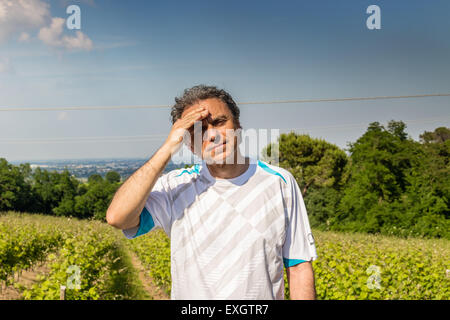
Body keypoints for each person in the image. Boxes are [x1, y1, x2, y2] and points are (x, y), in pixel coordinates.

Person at [106, 85, 318, 300]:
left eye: (219, 122)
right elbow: (118, 217)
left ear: (238, 126)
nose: (213, 135)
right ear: (189, 144)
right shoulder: (175, 186)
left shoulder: (279, 182)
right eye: (199, 131)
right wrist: (169, 146)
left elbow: (299, 266)